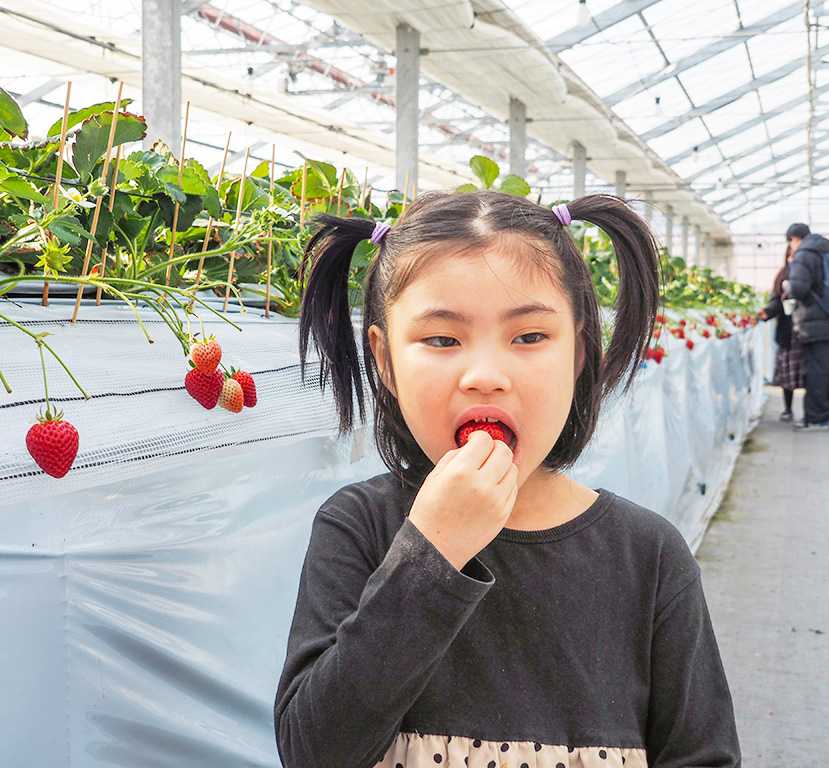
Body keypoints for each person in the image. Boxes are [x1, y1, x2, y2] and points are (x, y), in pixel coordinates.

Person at [276, 191, 740, 768]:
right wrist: (430, 553)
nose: (485, 376)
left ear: (579, 351)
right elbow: (314, 752)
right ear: (385, 361)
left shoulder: (648, 557)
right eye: (442, 339)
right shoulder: (359, 528)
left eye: (529, 336)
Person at [783, 222, 829, 430]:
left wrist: (788, 286)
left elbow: (799, 289)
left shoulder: (804, 255)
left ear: (794, 239)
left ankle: (814, 418)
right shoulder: (827, 250)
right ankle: (825, 415)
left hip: (814, 323)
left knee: (816, 371)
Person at [759, 245, 804, 420]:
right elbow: (775, 303)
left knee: (807, 373)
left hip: (805, 332)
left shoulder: (808, 275)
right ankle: (788, 409)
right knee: (788, 374)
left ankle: (811, 413)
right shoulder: (782, 276)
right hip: (787, 331)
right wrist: (767, 313)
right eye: (789, 256)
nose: (791, 260)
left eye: (795, 256)